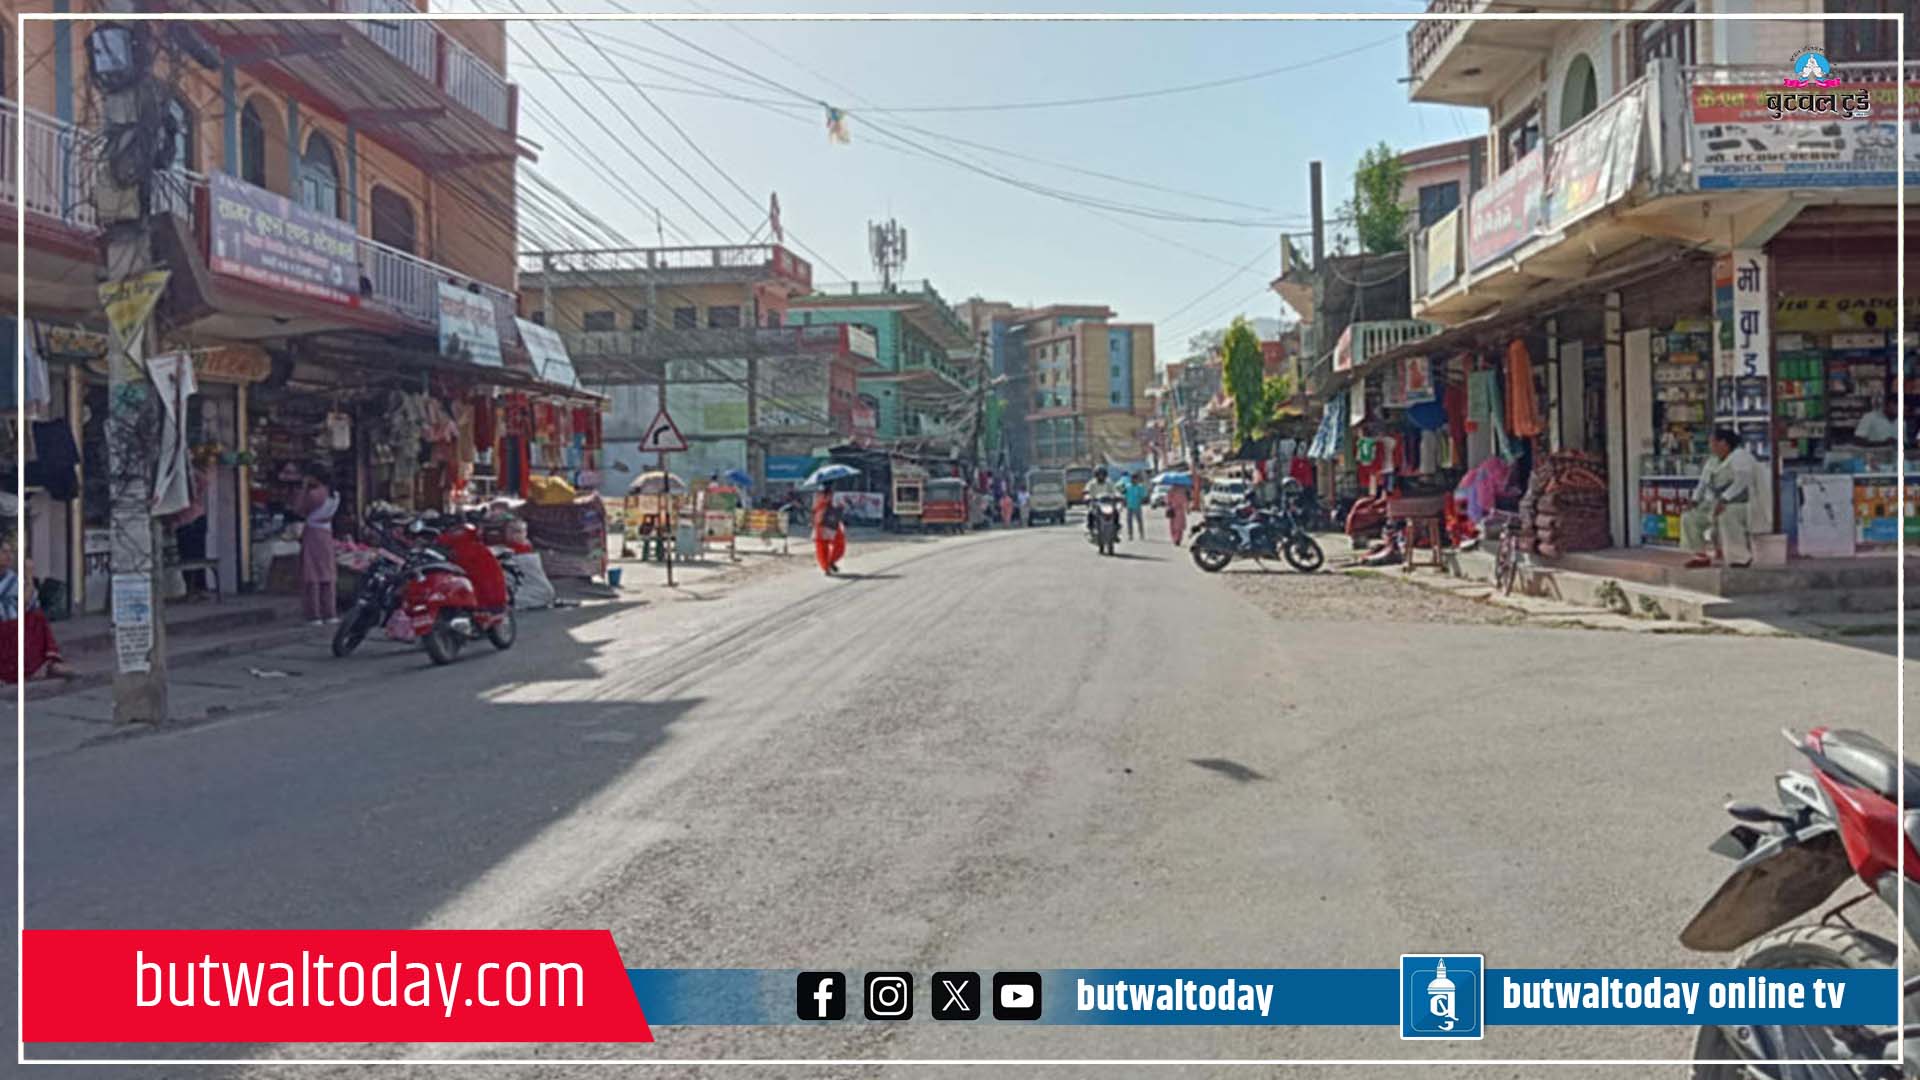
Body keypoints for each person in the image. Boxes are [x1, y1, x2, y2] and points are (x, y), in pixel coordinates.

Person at [1681, 428, 1757, 569]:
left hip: (1741, 504)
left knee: (1726, 515)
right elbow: (1702, 483)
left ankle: (1739, 558)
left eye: (1713, 442)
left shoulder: (1740, 457)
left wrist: (1724, 500)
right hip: (1713, 502)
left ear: (1723, 443)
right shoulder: (1712, 461)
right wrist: (1694, 500)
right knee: (1689, 517)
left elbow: (1741, 482)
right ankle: (1700, 556)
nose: (1710, 446)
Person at [1, 540, 74, 682]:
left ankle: (51, 663)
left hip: (11, 624)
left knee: (37, 617)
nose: (9, 556)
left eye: (11, 552)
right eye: (4, 552)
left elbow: (28, 603)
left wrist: (28, 578)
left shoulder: (12, 578)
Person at [296, 463, 341, 624]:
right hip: (327, 533)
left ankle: (314, 613)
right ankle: (330, 611)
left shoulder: (314, 494)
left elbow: (299, 508)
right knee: (327, 573)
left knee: (312, 573)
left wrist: (304, 488)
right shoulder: (335, 495)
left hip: (313, 532)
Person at [812, 483, 847, 576]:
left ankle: (828, 564)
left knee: (826, 547)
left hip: (826, 524)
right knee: (826, 547)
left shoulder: (819, 495)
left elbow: (814, 510)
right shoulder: (823, 496)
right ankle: (827, 565)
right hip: (825, 524)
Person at [1083, 465, 1119, 541]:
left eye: (1102, 474)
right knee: (1090, 513)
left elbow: (1115, 491)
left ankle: (1116, 530)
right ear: (1096, 475)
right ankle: (1091, 529)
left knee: (1116, 512)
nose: (1101, 476)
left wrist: (1118, 496)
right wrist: (1087, 497)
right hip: (1096, 504)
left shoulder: (1109, 482)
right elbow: (1086, 491)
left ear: (1105, 475)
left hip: (1108, 504)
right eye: (1099, 474)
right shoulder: (1092, 483)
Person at [1122, 472, 1148, 540]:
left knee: (1139, 520)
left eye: (1135, 479)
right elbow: (1124, 495)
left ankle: (1141, 534)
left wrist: (1142, 499)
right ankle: (1130, 535)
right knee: (1129, 521)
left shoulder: (1140, 487)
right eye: (1133, 479)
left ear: (1137, 479)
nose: (1134, 480)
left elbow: (1143, 496)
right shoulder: (1128, 486)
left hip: (1137, 506)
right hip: (1129, 506)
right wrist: (1124, 502)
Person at [1166, 479, 1191, 546]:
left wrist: (1169, 505)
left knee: (1173, 526)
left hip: (1173, 510)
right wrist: (1187, 509)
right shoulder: (1182, 491)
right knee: (1180, 526)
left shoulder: (1171, 491)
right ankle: (1178, 539)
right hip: (1180, 511)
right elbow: (1185, 502)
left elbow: (1167, 501)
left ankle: (1175, 539)